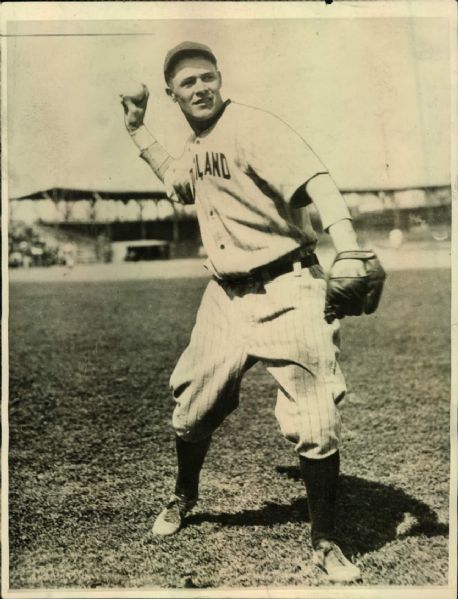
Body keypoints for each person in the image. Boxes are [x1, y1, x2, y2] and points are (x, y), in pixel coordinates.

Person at [121, 41, 377, 583]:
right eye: (187, 83)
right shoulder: (195, 145)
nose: (200, 88)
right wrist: (137, 129)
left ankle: (326, 541)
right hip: (225, 298)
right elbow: (177, 179)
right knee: (191, 406)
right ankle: (184, 495)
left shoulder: (254, 127)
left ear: (220, 78)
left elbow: (318, 183)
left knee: (316, 419)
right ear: (173, 95)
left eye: (206, 77)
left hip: (289, 286)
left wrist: (348, 246)